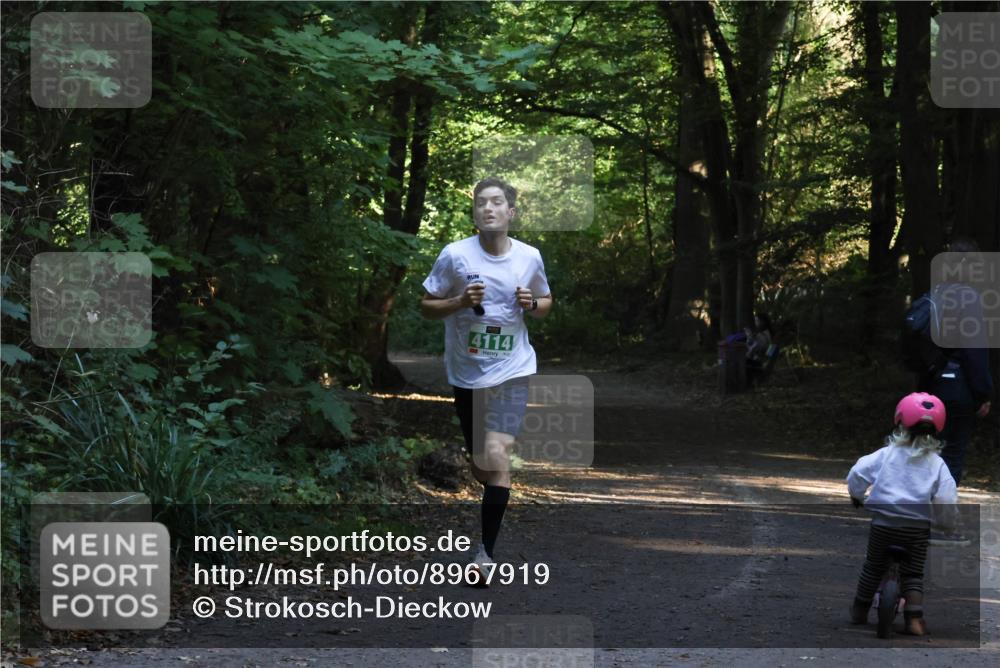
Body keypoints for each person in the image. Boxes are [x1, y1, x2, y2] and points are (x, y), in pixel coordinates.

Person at [420, 177, 553, 586]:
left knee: (496, 455)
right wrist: (460, 301)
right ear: (475, 213)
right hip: (467, 374)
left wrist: (533, 304)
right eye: (481, 203)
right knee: (482, 467)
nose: (488, 209)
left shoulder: (529, 257)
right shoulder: (454, 255)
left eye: (497, 203)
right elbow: (426, 307)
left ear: (511, 213)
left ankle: (485, 556)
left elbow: (546, 303)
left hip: (513, 370)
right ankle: (488, 486)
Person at [846, 392, 958, 636]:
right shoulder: (937, 463)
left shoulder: (886, 454)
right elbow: (946, 498)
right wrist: (946, 524)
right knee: (913, 573)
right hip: (916, 529)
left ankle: (859, 610)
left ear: (899, 421)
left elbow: (858, 472)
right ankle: (914, 621)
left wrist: (856, 495)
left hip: (884, 524)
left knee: (873, 567)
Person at [917, 237, 992, 545]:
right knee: (953, 454)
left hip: (930, 386)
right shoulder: (970, 299)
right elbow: (975, 352)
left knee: (928, 450)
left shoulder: (935, 294)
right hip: (958, 386)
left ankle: (917, 518)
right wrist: (983, 392)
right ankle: (942, 525)